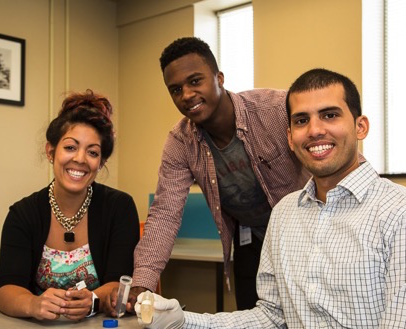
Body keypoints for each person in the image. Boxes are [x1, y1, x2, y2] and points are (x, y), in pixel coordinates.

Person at [135, 69, 406, 329]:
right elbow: (274, 322)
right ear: (289, 137)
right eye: (301, 120)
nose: (315, 130)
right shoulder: (286, 215)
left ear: (361, 127)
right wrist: (181, 323)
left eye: (330, 115)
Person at [117, 37, 309, 313]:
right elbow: (165, 213)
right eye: (175, 89)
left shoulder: (276, 110)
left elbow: (330, 153)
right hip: (251, 240)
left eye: (195, 81)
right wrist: (142, 283)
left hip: (305, 236)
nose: (186, 95)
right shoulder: (180, 142)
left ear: (219, 77)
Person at [0, 90, 140, 321]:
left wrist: (92, 300)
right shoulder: (22, 214)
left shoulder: (119, 208)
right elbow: (6, 289)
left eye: (92, 152)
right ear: (51, 151)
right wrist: (34, 304)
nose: (80, 159)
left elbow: (119, 282)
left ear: (101, 163)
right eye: (70, 147)